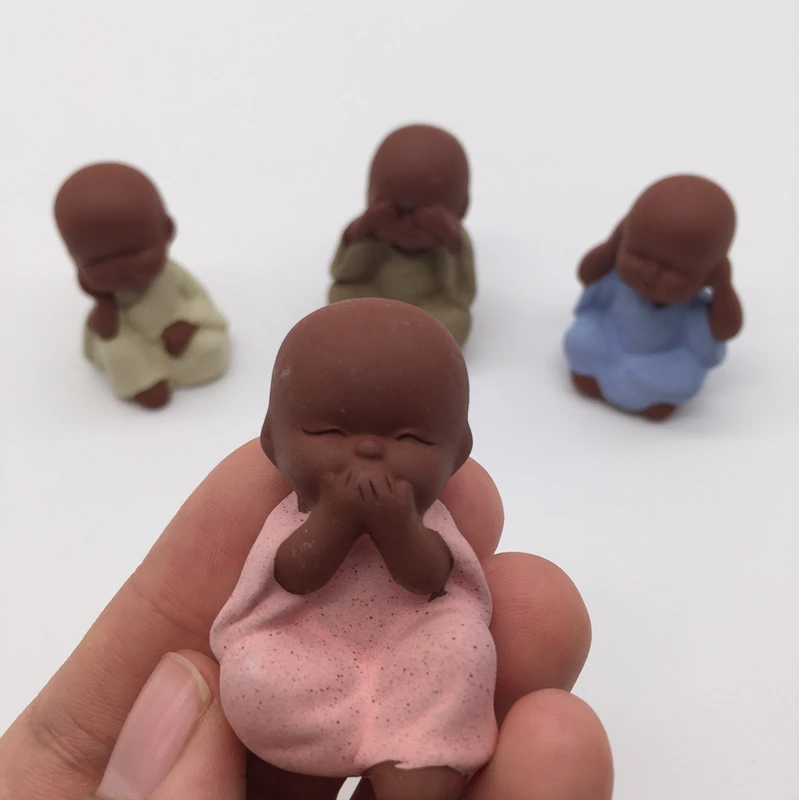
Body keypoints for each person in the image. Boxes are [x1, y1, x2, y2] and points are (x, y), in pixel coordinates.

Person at [0, 441, 613, 799]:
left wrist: (397, 525)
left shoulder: (432, 519)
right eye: (331, 432)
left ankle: (417, 764)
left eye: (406, 437)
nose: (367, 452)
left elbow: (435, 579)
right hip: (306, 652)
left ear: (456, 447)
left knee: (463, 646)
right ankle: (351, 742)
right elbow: (291, 575)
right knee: (252, 672)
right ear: (278, 442)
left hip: (413, 646)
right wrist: (336, 519)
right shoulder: (290, 518)